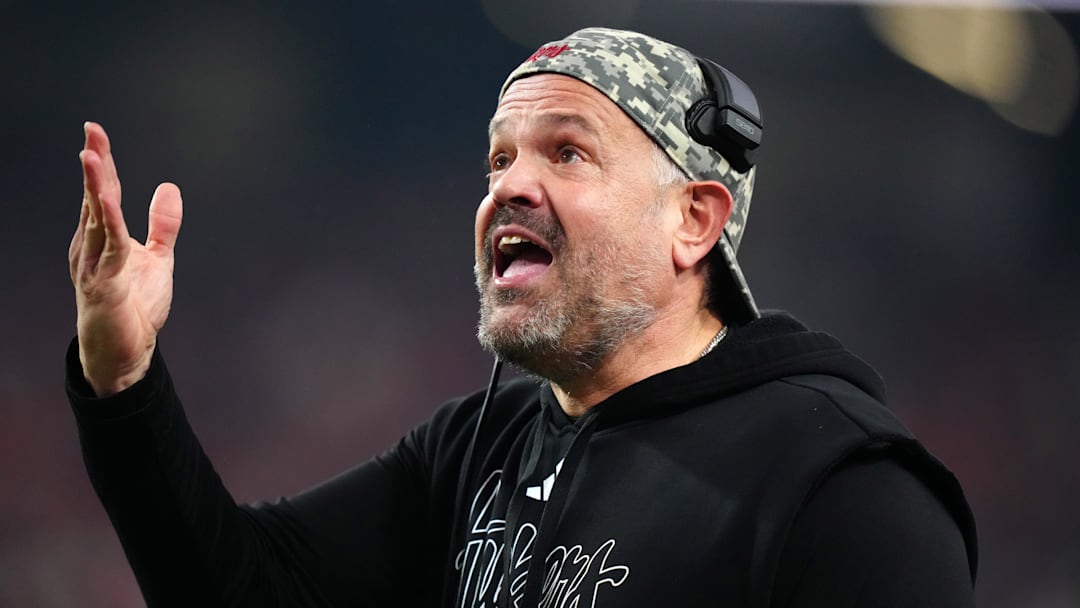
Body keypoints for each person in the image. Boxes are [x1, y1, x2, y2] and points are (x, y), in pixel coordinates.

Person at [67, 27, 977, 607]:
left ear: (693, 222)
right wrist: (122, 378)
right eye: (498, 159)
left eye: (568, 151)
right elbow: (240, 589)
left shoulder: (845, 487)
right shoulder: (475, 450)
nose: (508, 186)